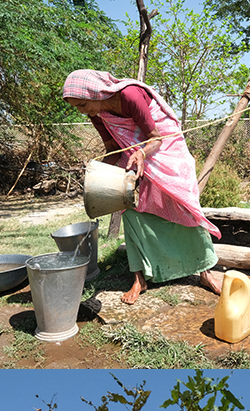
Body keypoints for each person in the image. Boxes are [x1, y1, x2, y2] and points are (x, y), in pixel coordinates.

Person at [62, 70, 223, 304]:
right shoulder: (97, 112)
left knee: (185, 206)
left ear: (95, 92)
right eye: (78, 107)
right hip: (134, 156)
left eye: (83, 104)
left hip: (164, 151)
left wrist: (141, 153)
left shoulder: (130, 95)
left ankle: (205, 272)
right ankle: (140, 278)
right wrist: (95, 174)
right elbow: (111, 150)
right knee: (130, 208)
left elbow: (156, 138)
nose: (83, 111)